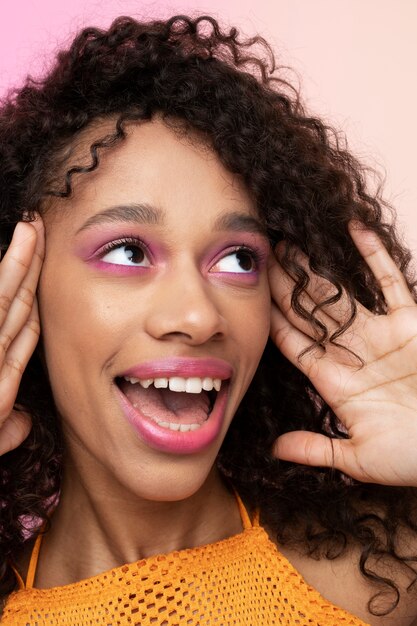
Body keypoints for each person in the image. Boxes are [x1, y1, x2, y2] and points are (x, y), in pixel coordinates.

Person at [1, 13, 417, 626]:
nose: (198, 316)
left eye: (239, 258)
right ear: (24, 289)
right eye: (127, 252)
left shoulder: (387, 578)